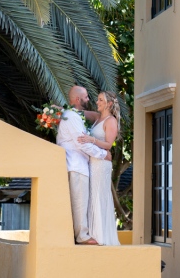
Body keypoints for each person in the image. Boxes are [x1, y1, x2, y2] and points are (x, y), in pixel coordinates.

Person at [56, 85, 111, 245]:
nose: (89, 99)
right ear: (78, 99)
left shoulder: (72, 115)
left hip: (78, 165)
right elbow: (82, 143)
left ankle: (82, 234)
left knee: (81, 200)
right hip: (76, 165)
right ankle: (82, 236)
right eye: (86, 97)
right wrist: (103, 155)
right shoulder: (72, 117)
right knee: (80, 201)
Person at [77, 91, 121, 246]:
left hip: (101, 165)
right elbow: (79, 112)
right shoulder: (97, 117)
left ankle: (102, 237)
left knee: (98, 195)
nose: (97, 102)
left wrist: (91, 139)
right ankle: (93, 234)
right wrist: (58, 110)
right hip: (92, 162)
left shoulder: (111, 121)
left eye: (101, 100)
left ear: (109, 103)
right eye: (97, 99)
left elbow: (109, 145)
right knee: (91, 196)